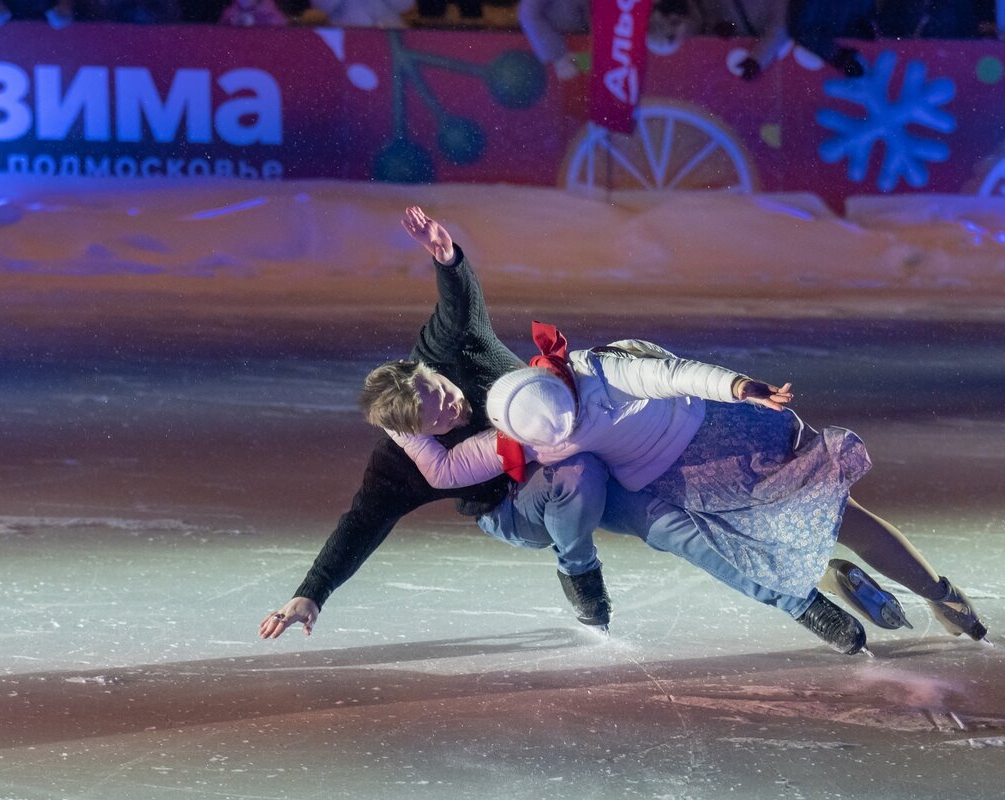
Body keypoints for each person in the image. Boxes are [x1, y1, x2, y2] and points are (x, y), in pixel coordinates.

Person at [260, 208, 897, 653]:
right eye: (438, 420)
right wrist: (309, 595)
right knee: (579, 476)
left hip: (585, 451)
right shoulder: (406, 466)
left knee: (675, 527)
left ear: (427, 369)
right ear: (416, 434)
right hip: (517, 505)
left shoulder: (448, 349)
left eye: (442, 393)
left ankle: (798, 602)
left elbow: (460, 305)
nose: (453, 409)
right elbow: (359, 524)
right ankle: (577, 567)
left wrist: (448, 258)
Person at [377, 325, 990, 654]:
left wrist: (739, 384)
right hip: (688, 472)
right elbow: (447, 471)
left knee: (835, 508)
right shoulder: (528, 434)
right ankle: (879, 589)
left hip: (723, 433)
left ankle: (935, 592)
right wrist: (392, 424)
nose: (567, 438)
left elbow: (672, 373)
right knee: (730, 537)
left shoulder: (597, 368)